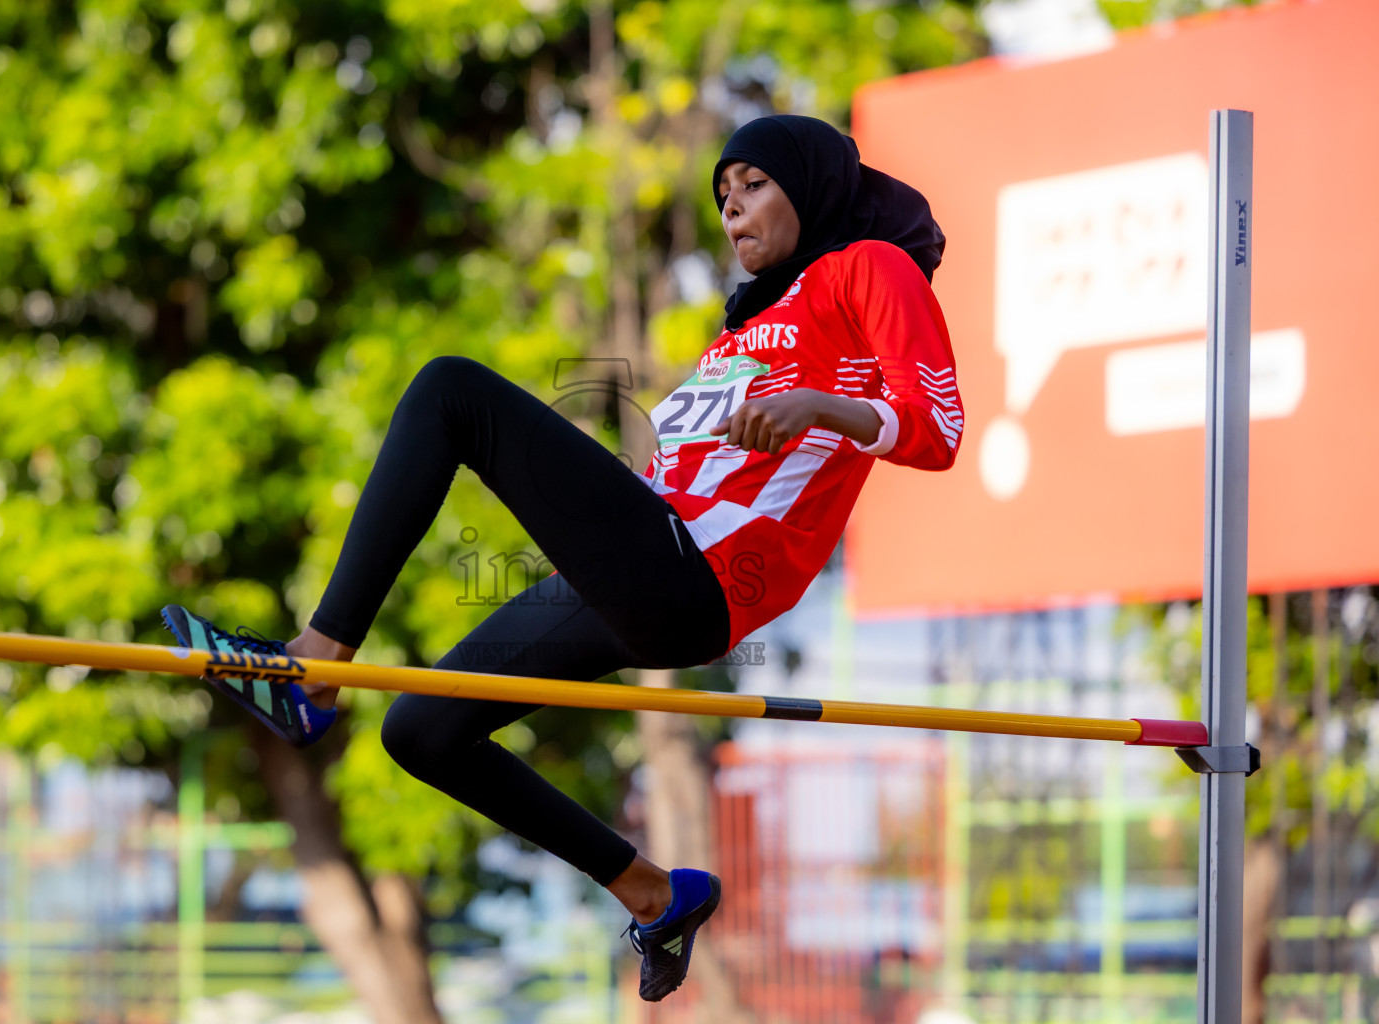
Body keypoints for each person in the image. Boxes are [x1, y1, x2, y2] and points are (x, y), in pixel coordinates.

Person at [161, 113, 961, 1002]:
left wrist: (820, 405)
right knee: (422, 731)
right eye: (722, 197)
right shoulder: (743, 329)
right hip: (649, 555)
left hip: (698, 574)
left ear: (811, 186)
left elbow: (939, 429)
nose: (732, 212)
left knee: (451, 392)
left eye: (754, 187)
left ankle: (317, 663)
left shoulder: (869, 269)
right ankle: (655, 894)